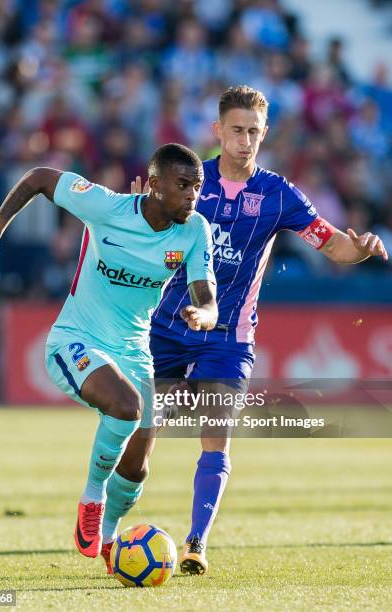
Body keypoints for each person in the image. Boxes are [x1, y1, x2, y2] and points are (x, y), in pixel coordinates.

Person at [99, 86, 388, 576]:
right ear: (218, 131)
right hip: (166, 324)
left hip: (228, 334)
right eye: (236, 130)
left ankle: (196, 544)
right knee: (141, 432)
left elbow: (333, 245)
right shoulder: (188, 179)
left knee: (217, 434)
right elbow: (141, 232)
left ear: (265, 133)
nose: (245, 140)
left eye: (254, 132)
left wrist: (359, 249)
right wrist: (137, 212)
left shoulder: (278, 195)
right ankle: (105, 531)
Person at [0, 143, 218, 562]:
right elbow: (39, 178)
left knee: (137, 468)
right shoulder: (107, 207)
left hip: (134, 350)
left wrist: (206, 314)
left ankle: (109, 535)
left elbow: (204, 291)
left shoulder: (194, 230)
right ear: (155, 186)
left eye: (198, 186)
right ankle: (91, 499)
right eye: (184, 185)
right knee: (126, 406)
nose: (193, 194)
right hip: (76, 339)